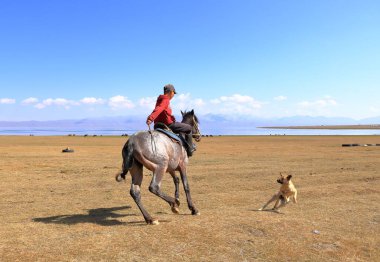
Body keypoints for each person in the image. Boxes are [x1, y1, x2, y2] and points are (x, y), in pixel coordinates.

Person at [146, 84, 196, 157]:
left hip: (157, 124)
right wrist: (151, 118)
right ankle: (190, 149)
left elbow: (162, 111)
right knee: (189, 128)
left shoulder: (160, 100)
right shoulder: (165, 100)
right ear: (171, 92)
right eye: (174, 93)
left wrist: (171, 116)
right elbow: (159, 108)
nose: (173, 95)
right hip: (168, 124)